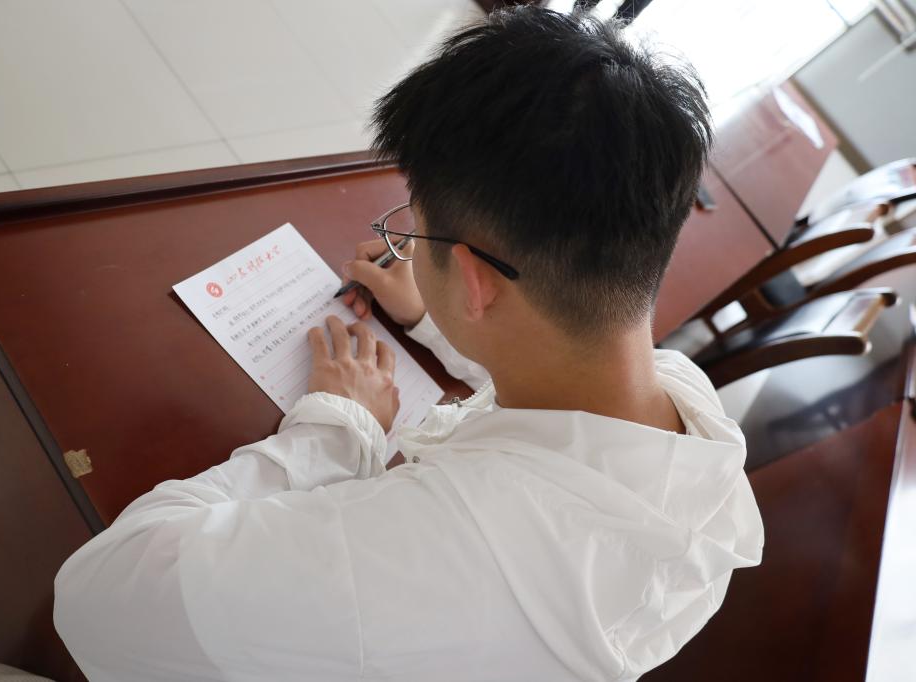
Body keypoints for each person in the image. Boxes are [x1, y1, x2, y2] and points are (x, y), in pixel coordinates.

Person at [54, 6, 763, 681]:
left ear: (478, 282)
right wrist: (438, 317)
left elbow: (100, 600)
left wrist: (338, 429)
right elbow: (554, 403)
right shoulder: (681, 411)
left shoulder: (422, 558)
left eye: (416, 233)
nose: (410, 248)